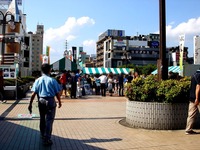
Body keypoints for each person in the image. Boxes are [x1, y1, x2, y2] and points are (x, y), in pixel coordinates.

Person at [28, 63, 62, 146]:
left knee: (42, 118)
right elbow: (57, 93)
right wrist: (59, 102)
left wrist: (30, 104)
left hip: (41, 101)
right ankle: (47, 139)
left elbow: (33, 94)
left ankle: (43, 135)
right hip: (50, 101)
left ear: (42, 71)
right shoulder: (53, 80)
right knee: (49, 120)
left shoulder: (38, 80)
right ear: (50, 70)